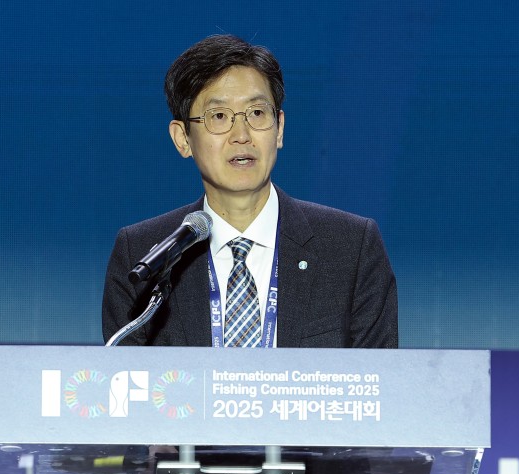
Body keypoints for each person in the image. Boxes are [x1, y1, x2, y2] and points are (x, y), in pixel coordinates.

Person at [102, 34, 398, 348]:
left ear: (279, 128)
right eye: (219, 117)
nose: (241, 135)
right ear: (183, 139)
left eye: (257, 113)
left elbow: (379, 376)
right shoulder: (143, 257)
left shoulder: (351, 249)